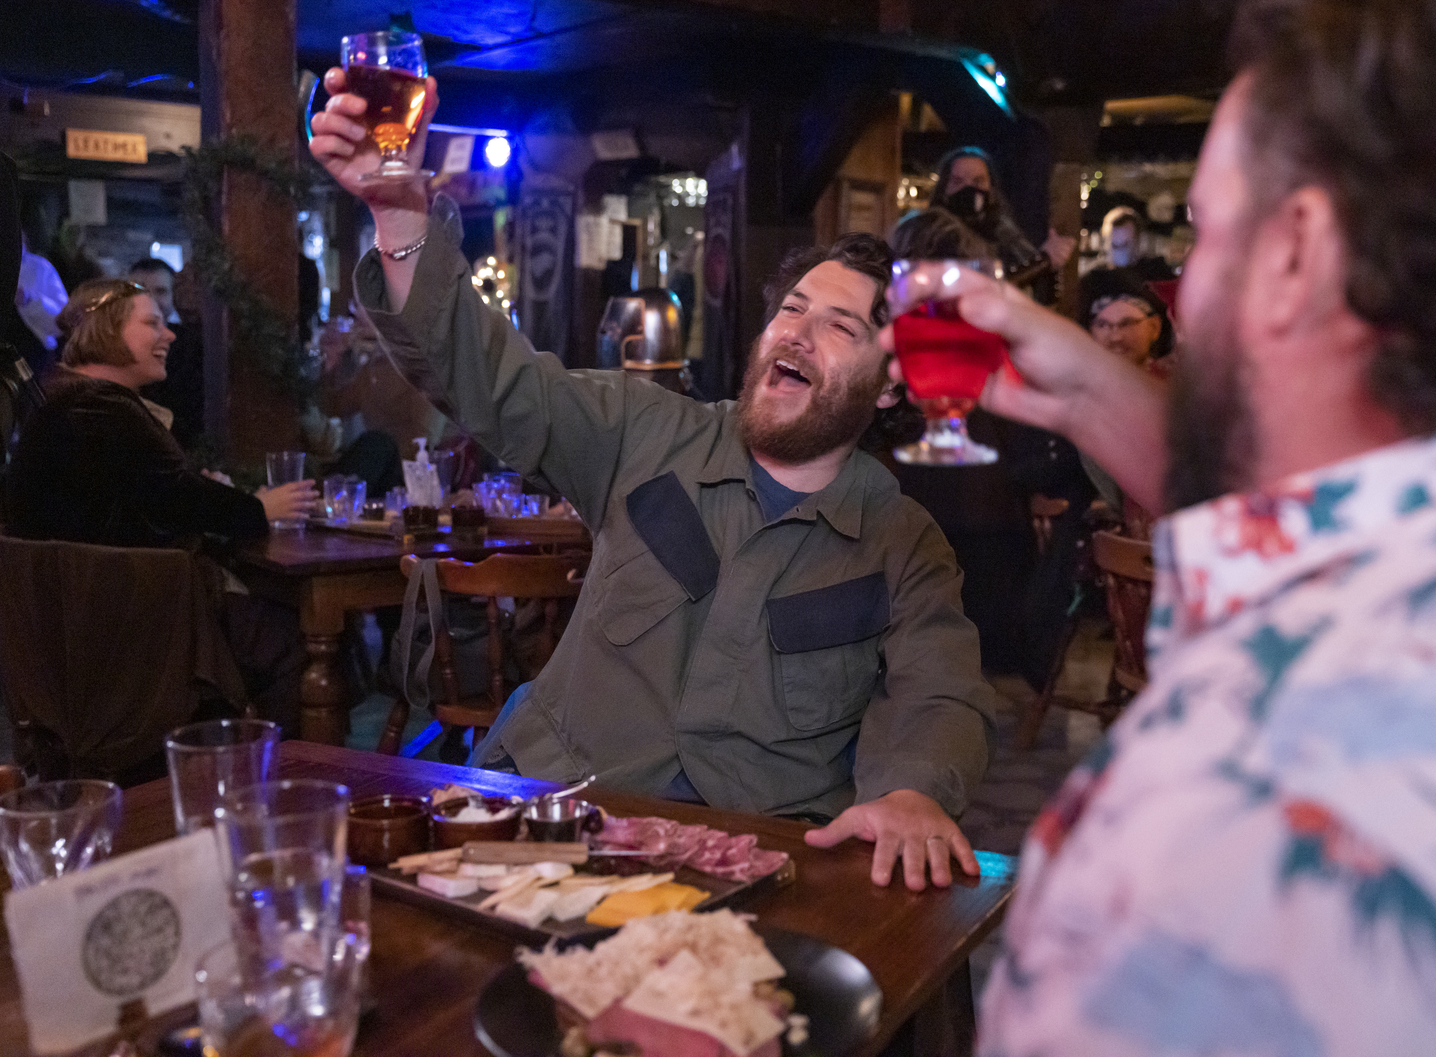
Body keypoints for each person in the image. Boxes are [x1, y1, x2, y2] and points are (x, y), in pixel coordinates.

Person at [887, 0, 1436, 1051]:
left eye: (1207, 232)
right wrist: (1090, 399)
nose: (1185, 282)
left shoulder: (1215, 822)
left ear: (1297, 250)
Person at [310, 74, 998, 892]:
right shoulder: (642, 430)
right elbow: (486, 376)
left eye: (841, 326)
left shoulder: (901, 540)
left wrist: (914, 789)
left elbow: (941, 689)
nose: (800, 334)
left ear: (890, 389)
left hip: (744, 866)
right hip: (554, 829)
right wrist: (399, 215)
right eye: (792, 309)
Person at [4, 278, 319, 732]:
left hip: (85, 623)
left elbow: (151, 495)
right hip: (127, 625)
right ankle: (266, 784)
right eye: (151, 322)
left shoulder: (69, 399)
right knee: (302, 639)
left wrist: (201, 491)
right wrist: (259, 508)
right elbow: (174, 498)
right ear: (107, 330)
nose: (169, 333)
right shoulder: (95, 409)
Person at [904, 146, 1076, 304]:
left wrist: (1052, 265)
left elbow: (1040, 299)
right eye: (958, 182)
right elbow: (977, 296)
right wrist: (1044, 260)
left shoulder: (1008, 237)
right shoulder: (928, 236)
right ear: (944, 191)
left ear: (991, 190)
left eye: (978, 181)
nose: (968, 189)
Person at [129, 257, 205, 447]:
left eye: (160, 291)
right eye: (140, 291)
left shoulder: (192, 345)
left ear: (173, 297)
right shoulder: (112, 345)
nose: (151, 300)